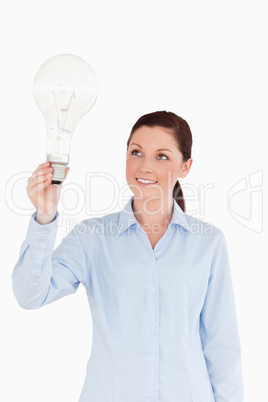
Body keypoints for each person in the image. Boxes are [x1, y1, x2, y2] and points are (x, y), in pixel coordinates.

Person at [12, 111, 244, 402]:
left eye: (162, 156)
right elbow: (30, 294)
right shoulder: (93, 238)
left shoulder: (208, 243)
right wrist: (44, 218)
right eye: (136, 152)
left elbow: (222, 349)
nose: (145, 166)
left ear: (186, 167)